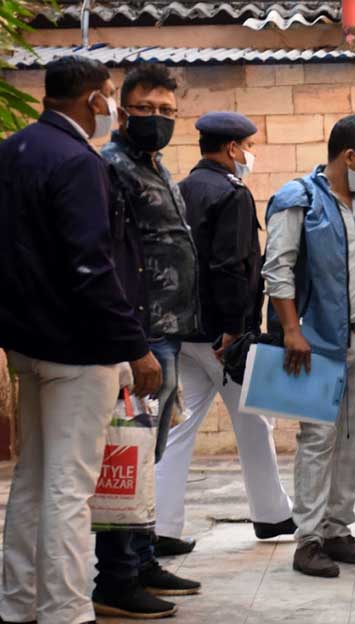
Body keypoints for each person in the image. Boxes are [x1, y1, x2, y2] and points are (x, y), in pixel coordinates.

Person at [0, 56, 162, 624]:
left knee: (34, 479)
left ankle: (18, 602)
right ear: (94, 99)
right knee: (70, 487)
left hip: (27, 343)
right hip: (79, 347)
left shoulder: (13, 150)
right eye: (110, 96)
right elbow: (92, 266)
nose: (112, 107)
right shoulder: (77, 161)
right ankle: (66, 610)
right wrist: (134, 346)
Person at [263, 114, 355, 578]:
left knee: (354, 438)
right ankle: (308, 540)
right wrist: (291, 330)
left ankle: (337, 530)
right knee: (318, 438)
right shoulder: (298, 200)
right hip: (317, 342)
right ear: (350, 156)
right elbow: (278, 269)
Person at [154, 111, 295, 549]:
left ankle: (160, 527)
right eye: (248, 146)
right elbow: (229, 266)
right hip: (223, 337)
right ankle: (271, 517)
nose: (251, 154)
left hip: (185, 333)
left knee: (180, 429)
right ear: (232, 148)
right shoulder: (231, 194)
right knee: (254, 422)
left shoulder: (180, 189)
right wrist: (235, 329)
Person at [93, 63, 202, 619]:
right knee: (127, 455)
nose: (158, 119)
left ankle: (141, 560)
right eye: (146, 109)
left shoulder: (156, 166)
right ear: (123, 112)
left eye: (167, 111)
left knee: (147, 454)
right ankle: (115, 579)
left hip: (168, 330)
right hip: (140, 334)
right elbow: (111, 255)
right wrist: (132, 342)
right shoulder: (112, 168)